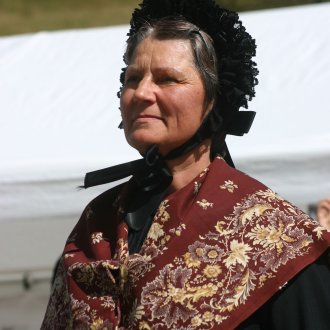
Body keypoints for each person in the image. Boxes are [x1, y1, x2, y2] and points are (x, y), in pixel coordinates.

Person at [42, 0, 330, 328]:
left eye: (167, 79)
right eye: (133, 78)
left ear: (215, 100)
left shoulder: (279, 238)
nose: (141, 93)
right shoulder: (96, 223)